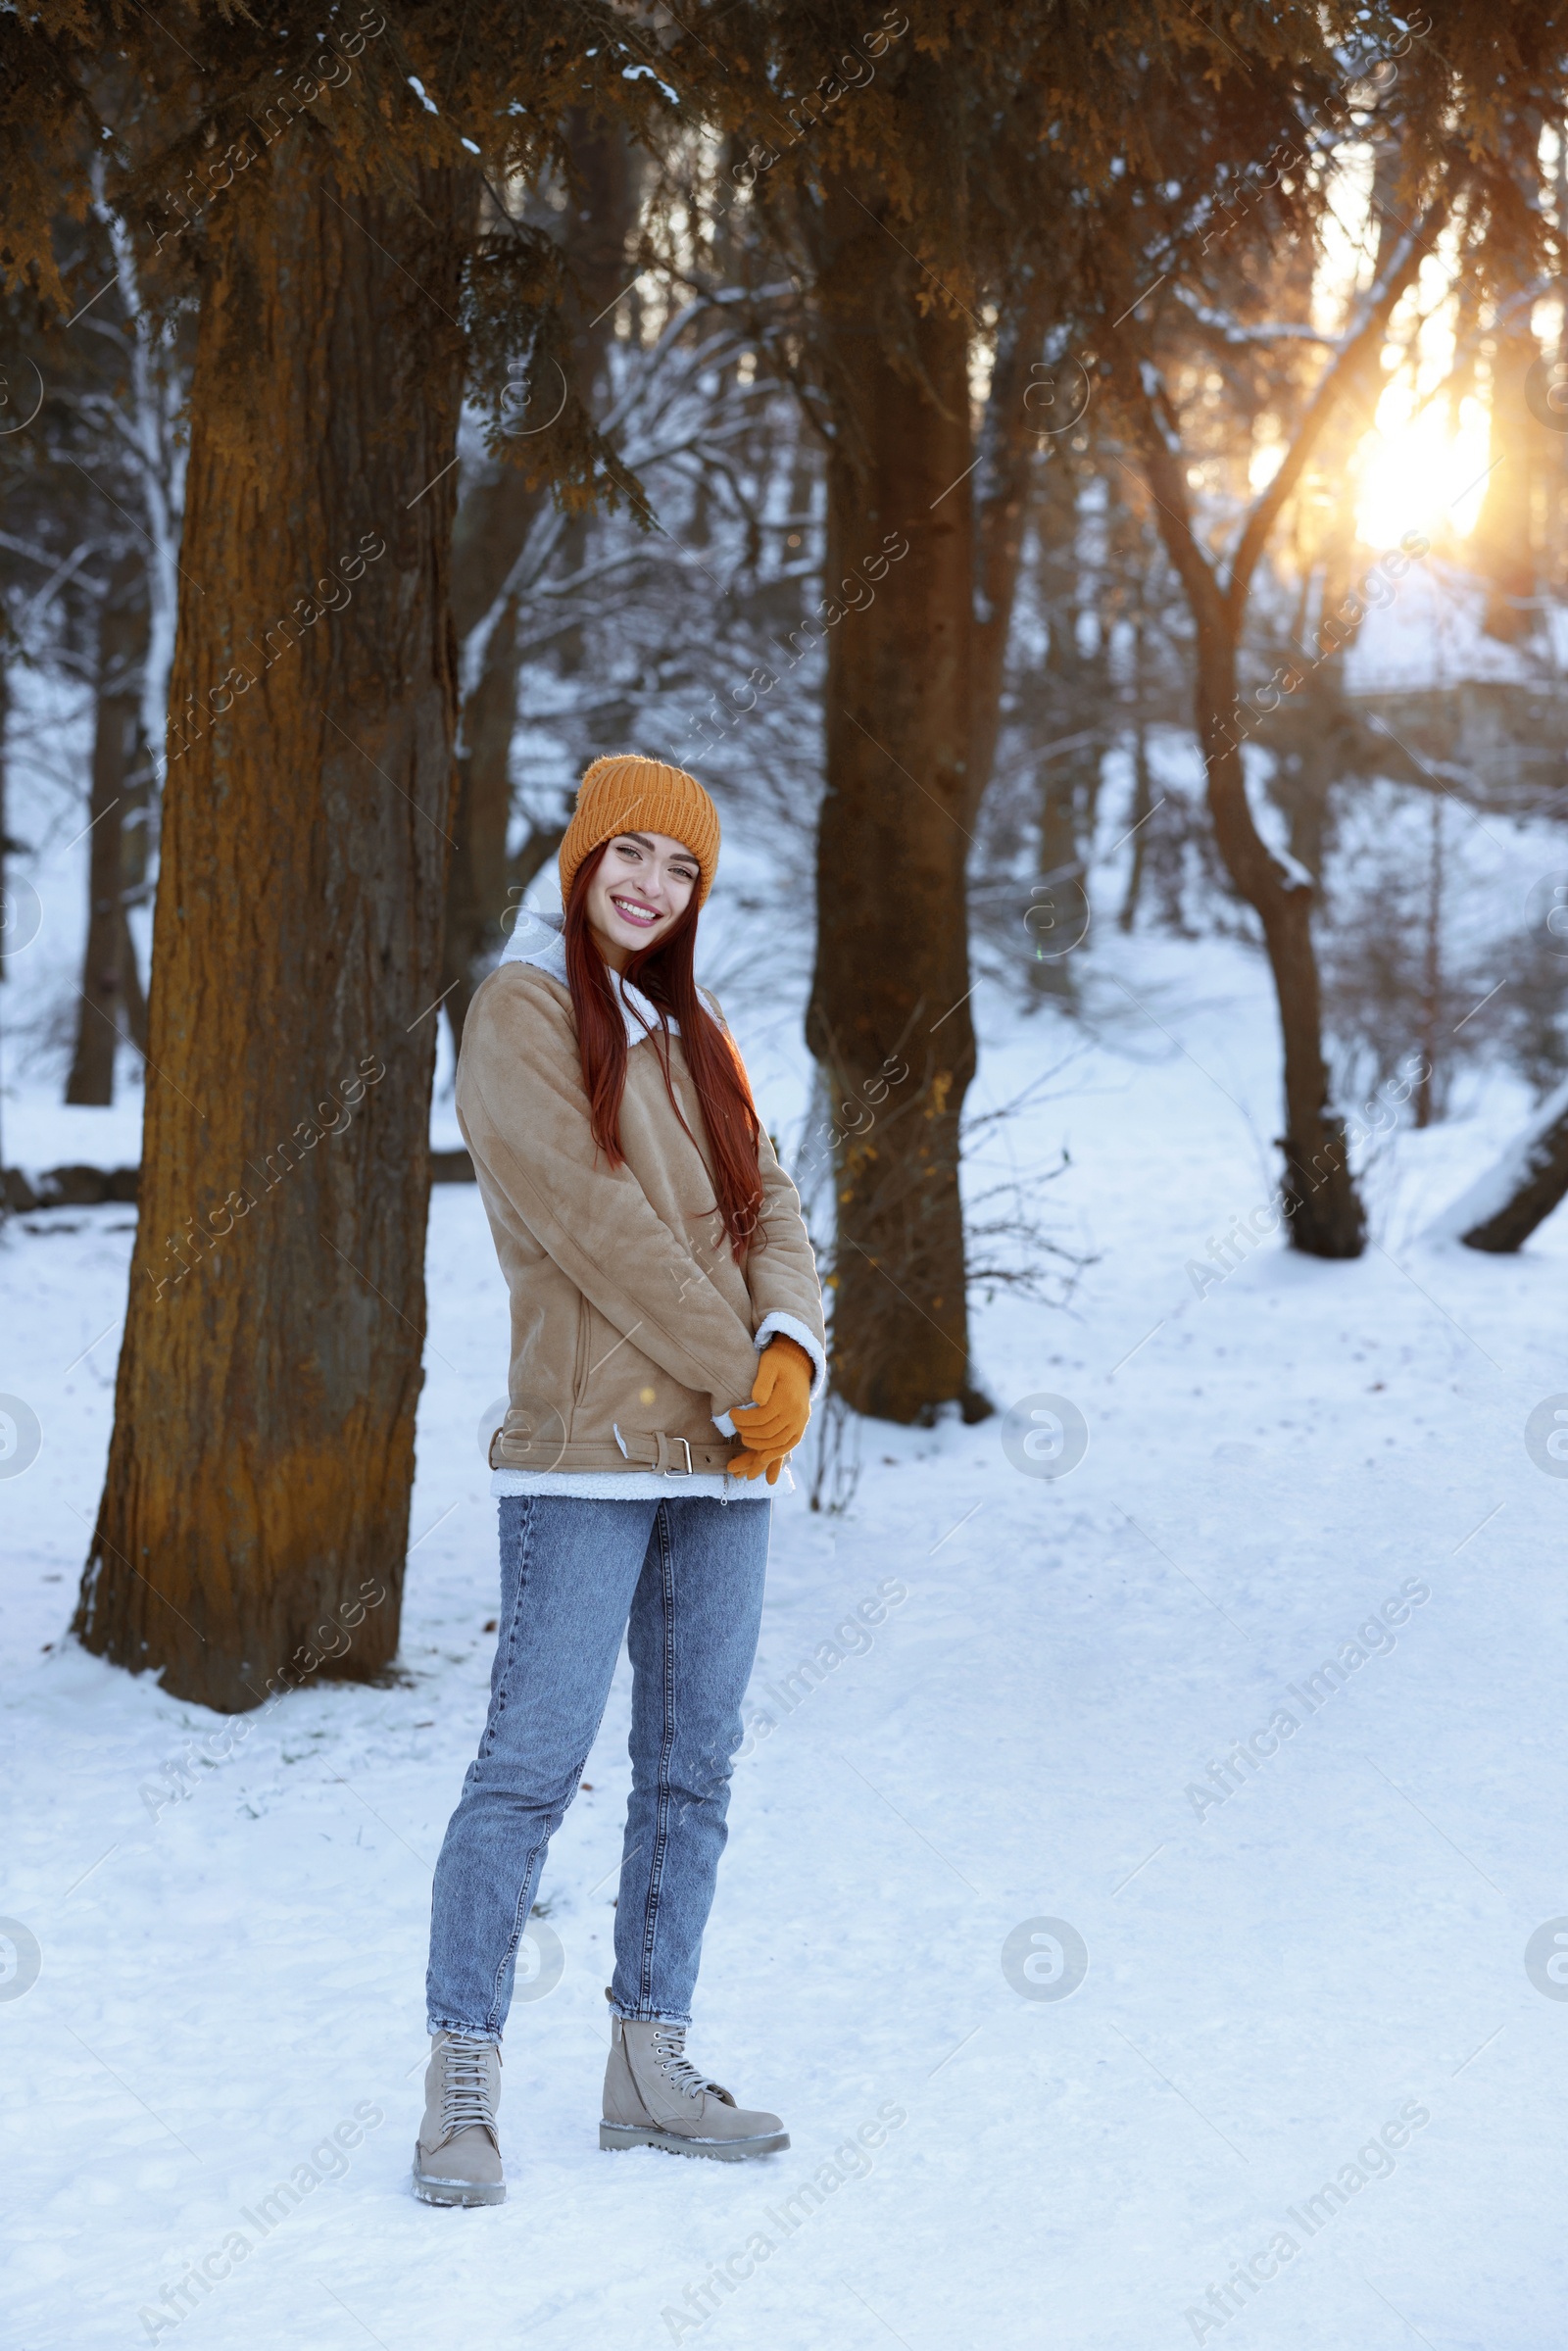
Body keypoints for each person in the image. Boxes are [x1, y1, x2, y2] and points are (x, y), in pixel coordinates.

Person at [415, 754, 826, 2205]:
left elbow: (766, 1199)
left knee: (693, 1772)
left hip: (724, 1465)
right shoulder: (520, 1007)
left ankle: (650, 2065)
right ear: (582, 860)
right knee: (528, 1773)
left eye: (682, 870)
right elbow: (597, 1226)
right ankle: (460, 2082)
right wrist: (740, 1369)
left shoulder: (695, 1025)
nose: (651, 888)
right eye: (628, 858)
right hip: (586, 1456)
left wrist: (791, 1349)